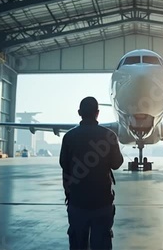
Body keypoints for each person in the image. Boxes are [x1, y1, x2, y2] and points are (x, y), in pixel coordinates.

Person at [60, 96, 124, 250]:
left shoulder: (69, 136)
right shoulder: (109, 136)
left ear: (79, 112)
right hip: (102, 202)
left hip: (77, 201)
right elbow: (117, 164)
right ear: (97, 113)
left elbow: (64, 165)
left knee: (77, 243)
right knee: (102, 242)